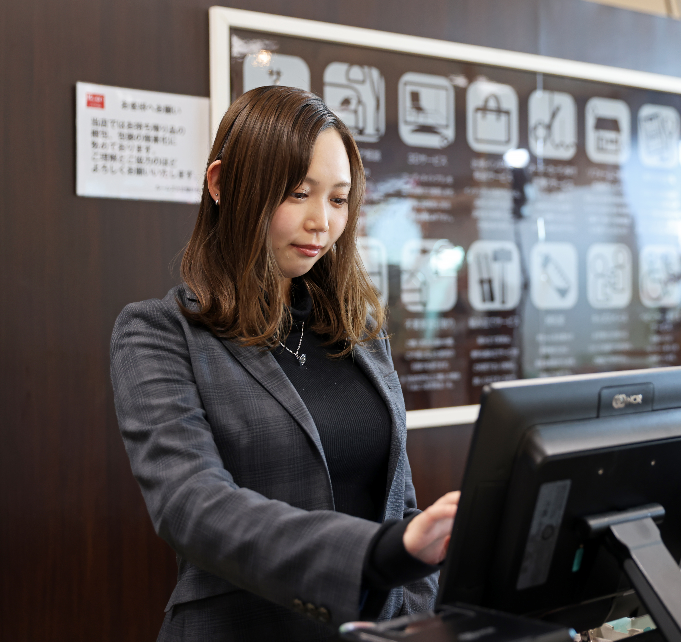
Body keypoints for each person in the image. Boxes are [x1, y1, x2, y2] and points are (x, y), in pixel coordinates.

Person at [110, 85, 460, 642]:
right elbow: (193, 507)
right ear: (222, 184)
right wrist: (378, 554)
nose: (322, 222)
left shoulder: (358, 329)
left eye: (339, 199)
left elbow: (398, 498)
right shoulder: (160, 333)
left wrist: (412, 613)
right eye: (298, 194)